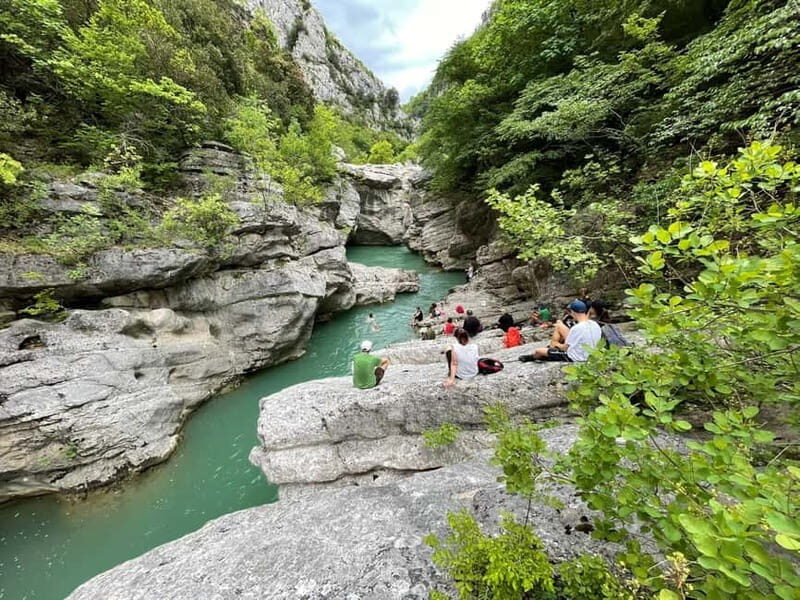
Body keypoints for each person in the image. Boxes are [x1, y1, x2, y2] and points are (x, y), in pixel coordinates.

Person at [520, 300, 601, 362]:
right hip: (591, 353)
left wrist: (556, 344)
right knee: (559, 325)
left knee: (539, 351)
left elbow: (565, 348)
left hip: (576, 357)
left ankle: (535, 357)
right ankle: (551, 348)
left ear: (572, 312)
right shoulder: (594, 324)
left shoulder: (576, 328)